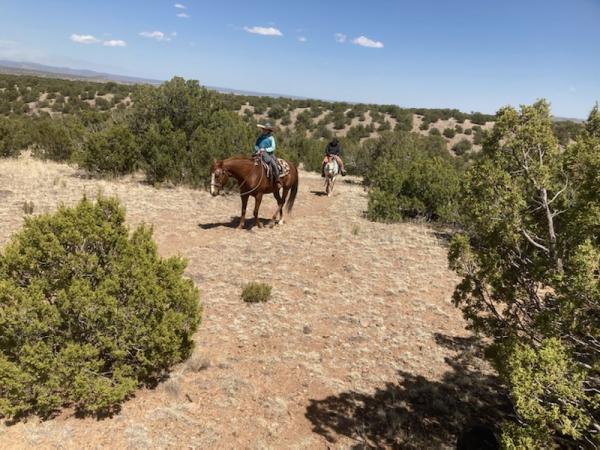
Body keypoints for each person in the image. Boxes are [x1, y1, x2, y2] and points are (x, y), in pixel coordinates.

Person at [253, 122, 281, 189]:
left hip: (269, 154)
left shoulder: (271, 138)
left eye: (265, 129)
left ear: (268, 131)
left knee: (274, 164)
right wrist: (258, 150)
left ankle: (277, 180)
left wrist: (265, 150)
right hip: (258, 153)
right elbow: (256, 145)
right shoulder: (259, 137)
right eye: (263, 129)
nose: (263, 130)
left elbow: (273, 147)